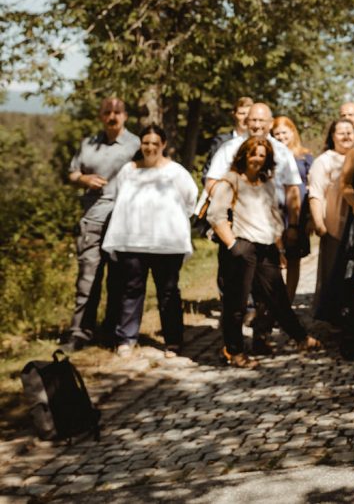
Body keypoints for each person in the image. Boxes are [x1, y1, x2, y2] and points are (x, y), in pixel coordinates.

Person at [208, 137, 321, 369]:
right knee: (236, 304)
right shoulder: (230, 181)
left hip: (266, 246)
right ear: (244, 155)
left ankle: (300, 338)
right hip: (241, 246)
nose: (257, 159)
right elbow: (215, 216)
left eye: (262, 155)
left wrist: (279, 249)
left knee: (277, 297)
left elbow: (273, 218)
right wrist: (233, 246)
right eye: (253, 154)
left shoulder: (266, 183)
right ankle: (234, 351)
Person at [101, 125, 197, 357]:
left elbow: (190, 199)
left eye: (155, 143)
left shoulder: (176, 172)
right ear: (140, 144)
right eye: (146, 143)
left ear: (163, 145)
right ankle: (126, 338)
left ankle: (173, 341)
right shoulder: (129, 170)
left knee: (168, 292)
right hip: (132, 242)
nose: (150, 147)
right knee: (131, 289)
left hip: (167, 244)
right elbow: (120, 199)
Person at [63, 97, 141, 352]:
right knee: (87, 278)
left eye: (117, 112)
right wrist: (84, 179)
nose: (112, 117)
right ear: (101, 116)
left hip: (122, 221)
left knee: (118, 279)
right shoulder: (89, 144)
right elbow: (72, 172)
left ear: (125, 115)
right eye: (107, 112)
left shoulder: (135, 144)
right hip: (93, 219)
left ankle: (111, 330)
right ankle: (80, 332)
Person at [307, 118, 354, 322]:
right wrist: (319, 223)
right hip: (335, 225)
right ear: (332, 136)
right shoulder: (324, 161)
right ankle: (332, 317)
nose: (346, 136)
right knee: (332, 272)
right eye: (341, 132)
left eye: (349, 132)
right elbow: (316, 194)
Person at [271, 115, 315, 301]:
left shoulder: (305, 156)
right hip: (276, 212)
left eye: (284, 132)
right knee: (274, 259)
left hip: (298, 212)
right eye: (277, 134)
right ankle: (274, 300)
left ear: (292, 132)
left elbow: (313, 186)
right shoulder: (271, 154)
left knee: (294, 258)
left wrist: (311, 217)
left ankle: (288, 300)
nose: (281, 137)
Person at [201, 96, 252, 183]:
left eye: (248, 114)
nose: (245, 118)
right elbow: (207, 174)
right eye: (242, 113)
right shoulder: (221, 142)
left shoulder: (257, 142)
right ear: (234, 114)